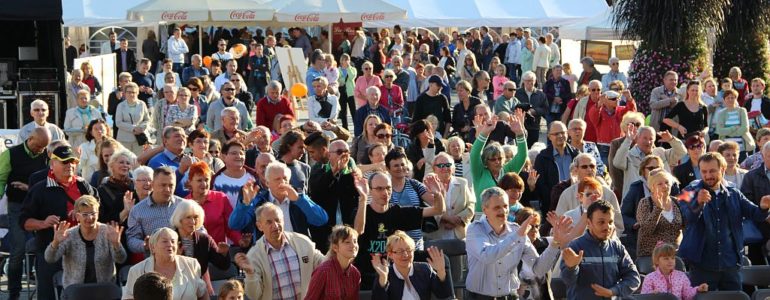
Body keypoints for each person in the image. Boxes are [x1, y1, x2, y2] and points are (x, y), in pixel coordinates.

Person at [679, 152, 770, 290]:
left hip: (731, 265)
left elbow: (755, 214)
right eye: (704, 171)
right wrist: (697, 203)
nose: (708, 175)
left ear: (722, 169)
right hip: (702, 265)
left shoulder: (734, 193)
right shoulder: (687, 191)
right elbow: (685, 218)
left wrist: (763, 207)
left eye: (712, 171)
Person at [21, 145, 101, 300]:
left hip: (83, 250)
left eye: (73, 161)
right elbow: (24, 222)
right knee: (49, 295)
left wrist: (84, 214)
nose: (70, 165)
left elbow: (98, 210)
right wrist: (43, 223)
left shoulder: (83, 185)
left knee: (84, 294)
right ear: (52, 164)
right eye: (64, 162)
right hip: (51, 250)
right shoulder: (40, 189)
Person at [465, 186, 572, 299]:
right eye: (497, 207)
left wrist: (555, 242)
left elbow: (538, 269)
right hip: (480, 297)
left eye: (505, 206)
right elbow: (487, 256)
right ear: (484, 209)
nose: (503, 211)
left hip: (510, 296)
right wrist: (516, 236)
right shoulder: (475, 229)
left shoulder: (516, 230)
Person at [353, 171, 445, 289]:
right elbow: (358, 231)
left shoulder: (396, 211)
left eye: (388, 188)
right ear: (370, 190)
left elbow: (438, 210)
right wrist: (363, 199)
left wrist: (437, 194)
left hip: (393, 274)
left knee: (442, 259)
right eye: (379, 189)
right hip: (366, 275)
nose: (385, 193)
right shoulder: (361, 211)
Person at [233, 202, 325, 300]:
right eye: (269, 222)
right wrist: (250, 273)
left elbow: (325, 263)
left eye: (278, 220)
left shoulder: (302, 242)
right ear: (259, 226)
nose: (275, 226)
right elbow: (254, 295)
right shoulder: (254, 256)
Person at [0, 127, 50, 300]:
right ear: (30, 139)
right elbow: (0, 179)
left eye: (44, 147)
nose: (41, 150)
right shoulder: (10, 154)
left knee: (45, 248)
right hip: (18, 206)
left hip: (40, 207)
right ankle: (14, 293)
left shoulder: (46, 155)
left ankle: (43, 289)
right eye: (39, 146)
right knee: (18, 250)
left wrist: (29, 188)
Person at [561, 200, 641, 299]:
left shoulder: (617, 247)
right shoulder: (575, 247)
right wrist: (571, 267)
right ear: (589, 223)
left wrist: (613, 291)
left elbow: (633, 278)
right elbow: (567, 281)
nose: (607, 227)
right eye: (601, 222)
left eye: (610, 222)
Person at [229, 161, 328, 240]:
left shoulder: (299, 198)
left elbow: (321, 220)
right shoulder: (259, 201)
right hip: (268, 255)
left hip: (299, 252)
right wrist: (245, 205)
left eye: (285, 178)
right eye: (277, 179)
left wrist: (299, 200)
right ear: (267, 183)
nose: (282, 182)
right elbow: (235, 225)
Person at [44, 195, 127, 288]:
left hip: (104, 290)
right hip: (76, 291)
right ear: (77, 216)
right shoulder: (69, 235)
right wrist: (55, 243)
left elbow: (121, 259)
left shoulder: (107, 232)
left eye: (93, 213)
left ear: (98, 214)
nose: (90, 218)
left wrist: (117, 244)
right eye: (85, 214)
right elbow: (50, 259)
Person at [123, 228, 207, 300]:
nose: (170, 245)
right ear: (152, 247)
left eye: (173, 241)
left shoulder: (191, 264)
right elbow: (129, 298)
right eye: (164, 241)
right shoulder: (137, 270)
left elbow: (202, 293)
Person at [169, 200, 231, 296]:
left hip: (199, 290)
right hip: (175, 289)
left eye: (195, 217)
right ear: (180, 219)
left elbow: (223, 266)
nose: (193, 222)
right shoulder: (169, 239)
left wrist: (224, 253)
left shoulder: (204, 239)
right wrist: (175, 257)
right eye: (188, 217)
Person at [307, 140, 359, 252]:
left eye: (347, 152)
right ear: (329, 155)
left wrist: (348, 174)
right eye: (340, 152)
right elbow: (317, 191)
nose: (344, 155)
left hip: (347, 228)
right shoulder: (319, 171)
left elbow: (355, 195)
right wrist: (334, 171)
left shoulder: (352, 174)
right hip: (325, 230)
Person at [470, 112, 528, 211]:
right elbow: (474, 154)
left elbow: (522, 156)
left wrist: (519, 134)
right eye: (493, 159)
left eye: (500, 158)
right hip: (482, 218)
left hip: (505, 217)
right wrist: (485, 133)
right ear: (485, 161)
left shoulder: (508, 170)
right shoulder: (480, 172)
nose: (497, 161)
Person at [371, 231, 452, 299]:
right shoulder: (385, 273)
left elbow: (444, 295)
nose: (405, 255)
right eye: (400, 251)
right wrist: (383, 280)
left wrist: (441, 272)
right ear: (390, 254)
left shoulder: (425, 269)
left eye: (409, 250)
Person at [126, 167, 187, 254]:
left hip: (184, 260)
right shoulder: (138, 210)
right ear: (152, 184)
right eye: (163, 185)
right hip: (154, 263)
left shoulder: (183, 205)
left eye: (171, 185)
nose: (167, 189)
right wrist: (145, 245)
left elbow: (200, 230)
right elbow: (132, 239)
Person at [614, 125, 686, 198]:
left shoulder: (661, 153)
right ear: (637, 138)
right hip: (635, 200)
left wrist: (671, 140)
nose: (648, 142)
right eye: (645, 138)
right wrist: (628, 140)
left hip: (662, 199)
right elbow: (617, 163)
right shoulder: (629, 155)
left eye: (651, 139)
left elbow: (682, 152)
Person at [424, 153, 475, 240]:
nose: (445, 168)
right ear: (434, 168)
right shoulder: (427, 184)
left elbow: (471, 205)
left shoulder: (463, 182)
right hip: (435, 235)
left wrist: (458, 220)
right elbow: (425, 207)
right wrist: (447, 219)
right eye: (440, 165)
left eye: (448, 165)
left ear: (453, 168)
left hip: (460, 235)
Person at [186, 162, 240, 244]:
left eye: (206, 180)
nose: (204, 184)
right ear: (190, 182)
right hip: (194, 253)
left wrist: (240, 240)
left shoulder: (221, 198)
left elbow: (231, 227)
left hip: (219, 252)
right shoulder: (185, 203)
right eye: (199, 180)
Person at [304, 225, 361, 300]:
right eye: (347, 242)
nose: (353, 245)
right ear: (335, 248)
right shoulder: (323, 271)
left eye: (355, 241)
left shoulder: (355, 274)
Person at [635, 170, 683, 257]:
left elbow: (686, 226)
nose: (665, 186)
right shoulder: (645, 203)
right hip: (651, 256)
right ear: (652, 187)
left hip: (673, 256)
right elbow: (646, 230)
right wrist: (658, 209)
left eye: (667, 182)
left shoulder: (677, 202)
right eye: (660, 184)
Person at [534, 121, 579, 212]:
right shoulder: (542, 158)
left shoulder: (576, 154)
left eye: (563, 133)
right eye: (556, 134)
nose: (560, 136)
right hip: (553, 205)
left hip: (575, 201)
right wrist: (552, 199)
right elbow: (541, 185)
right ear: (549, 136)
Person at [640, 242, 708, 299]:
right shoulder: (650, 278)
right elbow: (643, 296)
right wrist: (651, 294)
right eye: (666, 259)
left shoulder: (681, 276)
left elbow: (687, 294)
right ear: (657, 261)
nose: (670, 261)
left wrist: (698, 289)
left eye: (672, 258)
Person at [589, 90, 637, 166]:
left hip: (619, 145)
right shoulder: (598, 111)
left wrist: (629, 98)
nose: (617, 100)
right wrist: (599, 104)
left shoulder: (621, 110)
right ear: (605, 100)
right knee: (605, 171)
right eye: (613, 99)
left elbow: (632, 113)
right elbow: (593, 116)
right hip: (604, 147)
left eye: (618, 98)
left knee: (617, 171)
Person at [98, 149, 137, 224]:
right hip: (115, 229)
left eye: (128, 163)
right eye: (121, 162)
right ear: (111, 165)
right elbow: (103, 218)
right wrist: (125, 212)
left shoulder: (135, 185)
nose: (125, 165)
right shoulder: (103, 190)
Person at [148, 127, 189, 196]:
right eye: (177, 136)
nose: (182, 139)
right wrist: (180, 171)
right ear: (165, 141)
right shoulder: (157, 162)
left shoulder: (190, 160)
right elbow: (162, 188)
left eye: (184, 136)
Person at [715, 89, 754, 158]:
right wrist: (734, 128)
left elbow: (745, 128)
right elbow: (719, 130)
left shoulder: (742, 111)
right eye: (728, 98)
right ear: (724, 100)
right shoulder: (721, 113)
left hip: (741, 147)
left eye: (732, 97)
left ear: (736, 99)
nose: (730, 100)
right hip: (726, 147)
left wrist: (728, 132)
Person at [115, 82, 152, 155]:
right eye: (129, 92)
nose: (131, 94)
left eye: (133, 92)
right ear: (125, 93)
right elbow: (118, 122)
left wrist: (141, 127)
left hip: (139, 140)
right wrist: (133, 128)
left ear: (137, 93)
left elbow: (147, 119)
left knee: (138, 161)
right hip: (124, 139)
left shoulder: (142, 104)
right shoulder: (120, 106)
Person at [515, 71, 549, 147]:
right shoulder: (517, 93)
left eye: (531, 80)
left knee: (532, 147)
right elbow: (513, 107)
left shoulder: (541, 94)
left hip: (534, 125)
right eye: (527, 80)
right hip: (520, 125)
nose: (530, 82)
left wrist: (535, 111)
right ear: (523, 81)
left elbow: (545, 109)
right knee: (520, 147)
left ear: (535, 81)